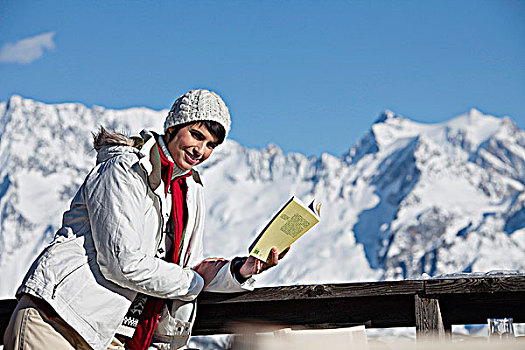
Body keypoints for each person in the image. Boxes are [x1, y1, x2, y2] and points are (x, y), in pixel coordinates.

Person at [4, 89, 288, 350]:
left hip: (113, 337)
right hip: (58, 322)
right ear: (174, 127)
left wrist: (241, 270)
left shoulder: (189, 191)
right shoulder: (123, 169)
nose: (201, 150)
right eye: (196, 135)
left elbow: (188, 270)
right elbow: (122, 263)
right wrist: (193, 280)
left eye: (211, 144)